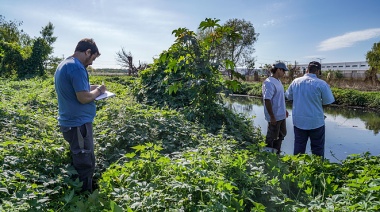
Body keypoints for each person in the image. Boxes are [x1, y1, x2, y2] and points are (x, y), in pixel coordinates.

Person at [54, 38, 106, 192]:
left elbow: (76, 87)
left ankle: (80, 192)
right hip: (78, 125)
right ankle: (85, 198)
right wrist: (99, 91)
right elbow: (83, 97)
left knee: (81, 158)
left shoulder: (66, 64)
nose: (91, 63)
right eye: (93, 58)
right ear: (87, 52)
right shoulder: (77, 67)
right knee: (85, 163)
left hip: (72, 123)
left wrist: (92, 87)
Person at [285, 61, 335, 158]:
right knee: (317, 149)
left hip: (299, 121)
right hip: (316, 121)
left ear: (307, 69)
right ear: (318, 71)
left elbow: (288, 97)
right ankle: (317, 170)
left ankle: (297, 169)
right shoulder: (322, 84)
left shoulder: (296, 82)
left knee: (299, 147)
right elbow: (328, 102)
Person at [262, 62, 289, 154]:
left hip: (281, 115)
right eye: (283, 71)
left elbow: (279, 98)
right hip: (275, 116)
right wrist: (272, 116)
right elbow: (267, 100)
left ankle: (277, 154)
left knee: (281, 135)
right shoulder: (269, 82)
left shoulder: (278, 81)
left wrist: (284, 110)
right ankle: (268, 157)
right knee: (271, 137)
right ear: (278, 70)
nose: (284, 73)